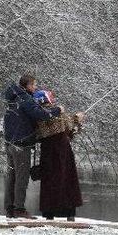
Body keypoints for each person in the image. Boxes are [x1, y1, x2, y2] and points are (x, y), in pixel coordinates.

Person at [3, 75, 62, 219]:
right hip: (21, 144)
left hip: (10, 143)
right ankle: (19, 209)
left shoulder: (13, 98)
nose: (35, 87)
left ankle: (10, 208)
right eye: (34, 85)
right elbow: (40, 114)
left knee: (12, 176)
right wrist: (57, 110)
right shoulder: (25, 99)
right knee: (22, 178)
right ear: (28, 85)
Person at [33, 90, 84, 222]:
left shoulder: (36, 114)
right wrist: (77, 120)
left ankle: (49, 213)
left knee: (50, 180)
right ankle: (69, 213)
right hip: (62, 150)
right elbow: (69, 129)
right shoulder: (57, 111)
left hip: (47, 151)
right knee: (67, 180)